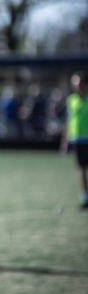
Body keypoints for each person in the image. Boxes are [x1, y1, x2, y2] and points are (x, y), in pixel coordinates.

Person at [60, 71, 88, 209]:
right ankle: (85, 198)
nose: (78, 86)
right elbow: (68, 121)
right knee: (81, 169)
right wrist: (64, 142)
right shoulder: (71, 100)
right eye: (75, 83)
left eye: (80, 82)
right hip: (77, 139)